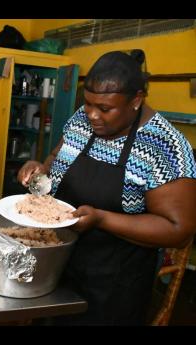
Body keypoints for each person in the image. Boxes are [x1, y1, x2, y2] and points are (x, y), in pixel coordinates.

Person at [17, 50, 196, 325]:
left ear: (136, 100)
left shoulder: (165, 148)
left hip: (112, 286)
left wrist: (102, 219)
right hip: (59, 263)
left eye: (104, 108)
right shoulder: (82, 118)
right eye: (88, 103)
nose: (91, 115)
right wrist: (41, 167)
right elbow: (58, 156)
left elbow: (178, 230)